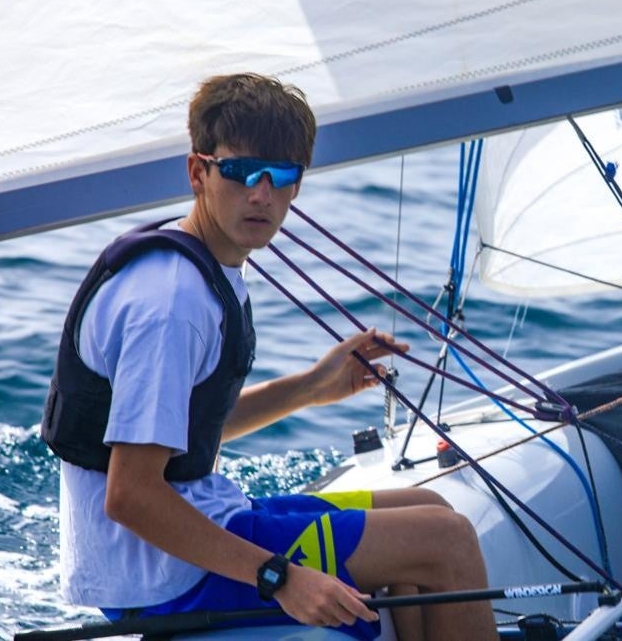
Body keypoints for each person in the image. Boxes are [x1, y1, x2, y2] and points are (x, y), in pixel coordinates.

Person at [41, 73, 498, 641]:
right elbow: (131, 495)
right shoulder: (172, 303)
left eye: (280, 176)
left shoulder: (207, 268)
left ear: (297, 186)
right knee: (443, 542)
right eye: (239, 172)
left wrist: (311, 386)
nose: (261, 193)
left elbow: (180, 430)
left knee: (428, 505)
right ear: (198, 172)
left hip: (174, 539)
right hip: (159, 573)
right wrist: (280, 578)